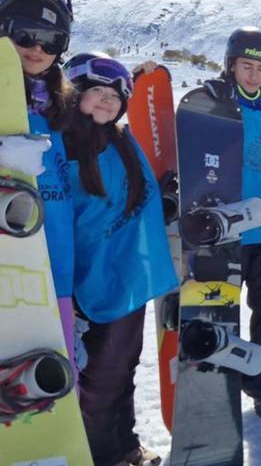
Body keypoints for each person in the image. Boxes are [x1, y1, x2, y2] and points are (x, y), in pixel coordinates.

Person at [62, 52, 176, 466]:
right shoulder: (63, 144)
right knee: (98, 383)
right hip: (88, 284)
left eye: (115, 96)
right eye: (96, 93)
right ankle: (100, 457)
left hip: (126, 278)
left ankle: (126, 446)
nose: (106, 103)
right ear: (74, 94)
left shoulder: (120, 138)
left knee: (124, 368)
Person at [201, 26, 261, 420]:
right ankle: (218, 385)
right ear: (231, 66)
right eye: (245, 66)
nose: (253, 75)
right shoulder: (218, 102)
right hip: (228, 230)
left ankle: (260, 386)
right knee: (223, 314)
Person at [0, 0, 79, 373]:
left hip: (57, 268)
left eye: (50, 41)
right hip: (8, 272)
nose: (37, 48)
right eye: (25, 34)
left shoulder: (60, 107)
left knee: (55, 387)